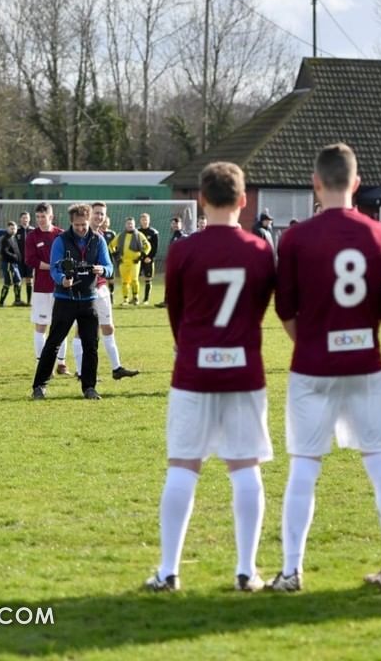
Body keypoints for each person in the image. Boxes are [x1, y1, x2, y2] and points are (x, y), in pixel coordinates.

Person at [267, 143, 381, 592]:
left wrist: (312, 341)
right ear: (357, 183)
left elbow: (285, 309)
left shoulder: (296, 238)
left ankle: (291, 571)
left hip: (313, 363)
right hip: (365, 360)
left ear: (315, 182)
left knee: (305, 465)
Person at [144, 161, 276, 593]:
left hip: (194, 368)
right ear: (243, 200)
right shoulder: (260, 250)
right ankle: (245, 570)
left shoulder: (183, 250)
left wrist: (192, 345)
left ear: (201, 199)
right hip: (243, 369)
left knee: (183, 467)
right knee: (244, 468)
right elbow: (259, 309)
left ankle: (168, 571)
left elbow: (175, 311)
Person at [30, 203, 114, 400]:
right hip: (65, 300)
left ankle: (89, 388)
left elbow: (109, 266)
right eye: (77, 225)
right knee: (53, 343)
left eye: (84, 224)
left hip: (89, 300)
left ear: (89, 220)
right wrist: (62, 280)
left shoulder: (98, 240)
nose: (81, 228)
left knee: (91, 345)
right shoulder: (61, 241)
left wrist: (104, 270)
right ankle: (39, 386)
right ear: (71, 223)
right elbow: (54, 269)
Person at [69, 202, 139, 382]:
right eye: (97, 213)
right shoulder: (79, 236)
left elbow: (107, 265)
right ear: (90, 214)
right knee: (81, 330)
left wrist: (105, 272)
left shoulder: (99, 236)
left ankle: (116, 368)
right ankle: (80, 371)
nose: (99, 217)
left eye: (102, 214)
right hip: (85, 289)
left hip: (101, 288)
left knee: (108, 327)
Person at [25, 203, 69, 375]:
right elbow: (30, 260)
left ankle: (61, 363)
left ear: (51, 216)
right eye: (38, 217)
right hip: (41, 288)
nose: (41, 220)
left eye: (44, 216)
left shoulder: (61, 235)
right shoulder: (32, 236)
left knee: (61, 325)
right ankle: (41, 363)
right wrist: (52, 267)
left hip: (61, 287)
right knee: (41, 326)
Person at [109, 217, 151, 305]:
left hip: (135, 262)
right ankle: (125, 299)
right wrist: (116, 256)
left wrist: (141, 257)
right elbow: (111, 246)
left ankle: (135, 298)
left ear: (134, 224)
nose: (130, 225)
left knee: (134, 280)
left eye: (131, 223)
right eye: (128, 223)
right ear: (125, 225)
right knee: (124, 281)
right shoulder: (121, 235)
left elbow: (148, 246)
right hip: (123, 262)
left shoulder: (139, 235)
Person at [155, 217, 186, 309]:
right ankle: (167, 301)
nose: (175, 225)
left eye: (177, 223)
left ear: (181, 225)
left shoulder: (183, 236)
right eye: (173, 223)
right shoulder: (173, 236)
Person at [0, 221, 25, 307]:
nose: (13, 230)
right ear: (7, 229)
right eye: (11, 228)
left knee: (18, 281)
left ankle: (17, 300)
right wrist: (14, 256)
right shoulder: (5, 239)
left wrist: (19, 258)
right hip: (8, 264)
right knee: (8, 283)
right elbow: (4, 252)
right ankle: (1, 302)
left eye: (15, 228)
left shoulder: (13, 238)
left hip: (14, 264)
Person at [138, 212, 160, 305]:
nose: (144, 221)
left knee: (148, 278)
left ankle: (146, 299)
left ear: (149, 221)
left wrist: (150, 257)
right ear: (140, 221)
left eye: (146, 219)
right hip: (138, 259)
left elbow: (155, 247)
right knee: (135, 278)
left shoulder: (153, 232)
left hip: (148, 259)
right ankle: (135, 298)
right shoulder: (137, 232)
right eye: (143, 219)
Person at [17, 211, 34, 306]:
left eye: (27, 217)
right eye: (23, 217)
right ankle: (18, 300)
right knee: (18, 279)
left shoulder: (33, 231)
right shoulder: (17, 231)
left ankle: (29, 301)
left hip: (30, 260)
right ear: (20, 219)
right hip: (19, 260)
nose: (25, 219)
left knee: (29, 279)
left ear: (29, 219)